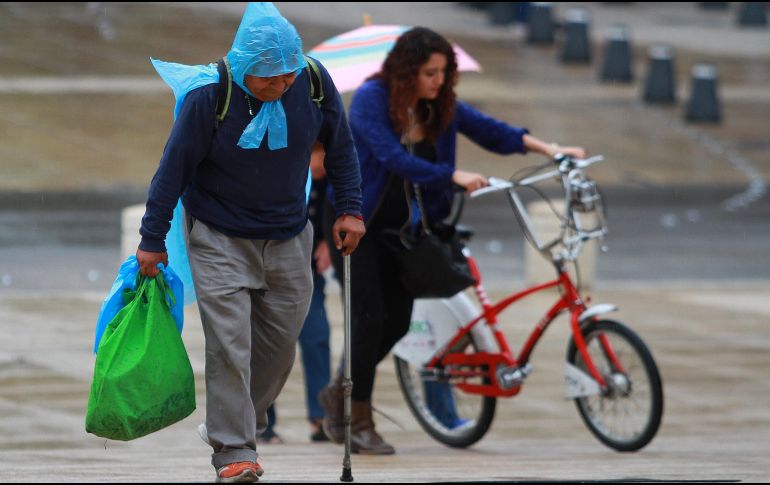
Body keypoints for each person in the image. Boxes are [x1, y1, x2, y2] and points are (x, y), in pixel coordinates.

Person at [319, 26, 586, 455]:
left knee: (398, 323)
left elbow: (491, 130)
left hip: (405, 232)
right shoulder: (371, 99)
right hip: (356, 222)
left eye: (444, 71)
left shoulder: (438, 106)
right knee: (366, 319)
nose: (438, 81)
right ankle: (358, 417)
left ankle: (339, 390)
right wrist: (451, 175)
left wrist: (551, 149)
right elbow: (393, 158)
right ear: (406, 71)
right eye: (429, 72)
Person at [136, 3, 365, 483]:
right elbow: (171, 171)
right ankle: (235, 451)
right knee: (229, 346)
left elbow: (341, 148)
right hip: (219, 237)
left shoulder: (314, 82)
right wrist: (151, 239)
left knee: (280, 350)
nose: (280, 85)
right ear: (243, 67)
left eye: (286, 75)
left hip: (289, 236)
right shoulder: (210, 98)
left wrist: (350, 209)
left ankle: (235, 419)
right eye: (268, 78)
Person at [260, 142, 333, 445]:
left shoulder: (334, 178)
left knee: (316, 338)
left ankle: (321, 417)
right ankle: (263, 421)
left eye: (324, 155)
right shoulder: (278, 168)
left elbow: (344, 206)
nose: (320, 164)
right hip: (268, 264)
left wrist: (327, 240)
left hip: (309, 270)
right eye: (314, 155)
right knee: (266, 345)